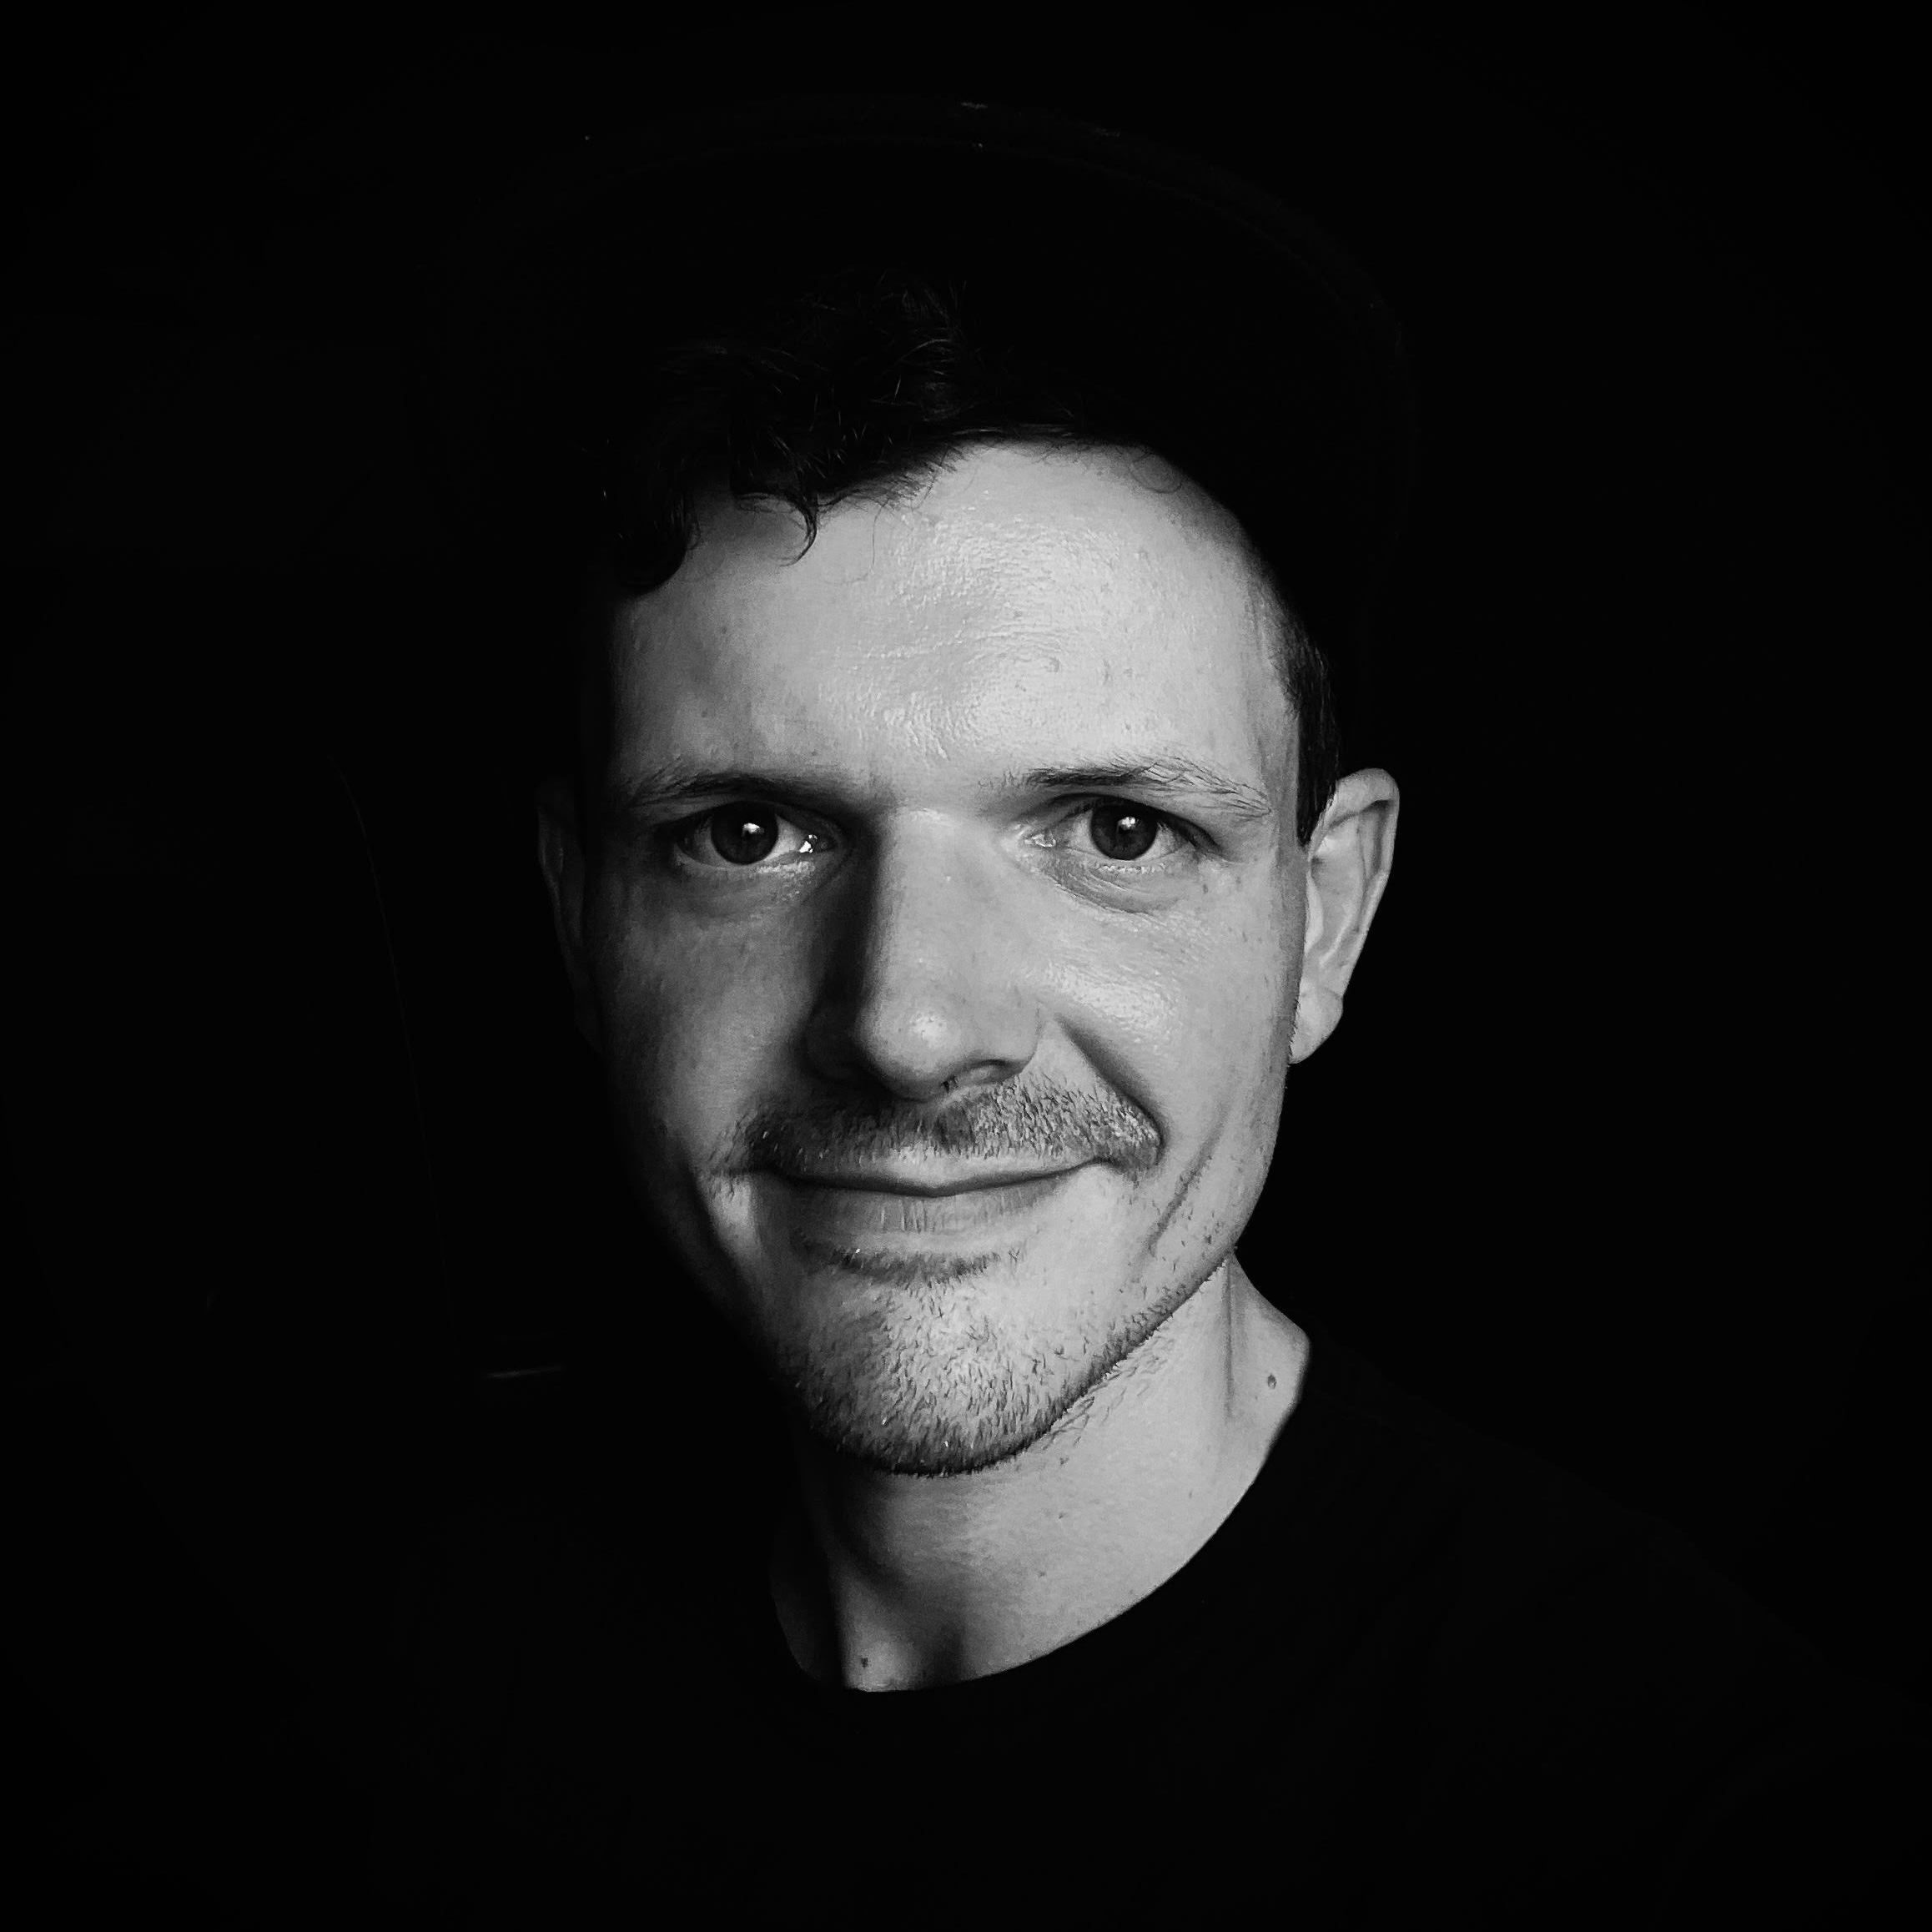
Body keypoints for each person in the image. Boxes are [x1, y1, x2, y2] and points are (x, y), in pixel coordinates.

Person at [358, 96, 1924, 1927]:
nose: (909, 1024)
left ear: (1327, 920)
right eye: (751, 832)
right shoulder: (413, 1681)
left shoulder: (1693, 1823)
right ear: (576, 916)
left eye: (1115, 831)